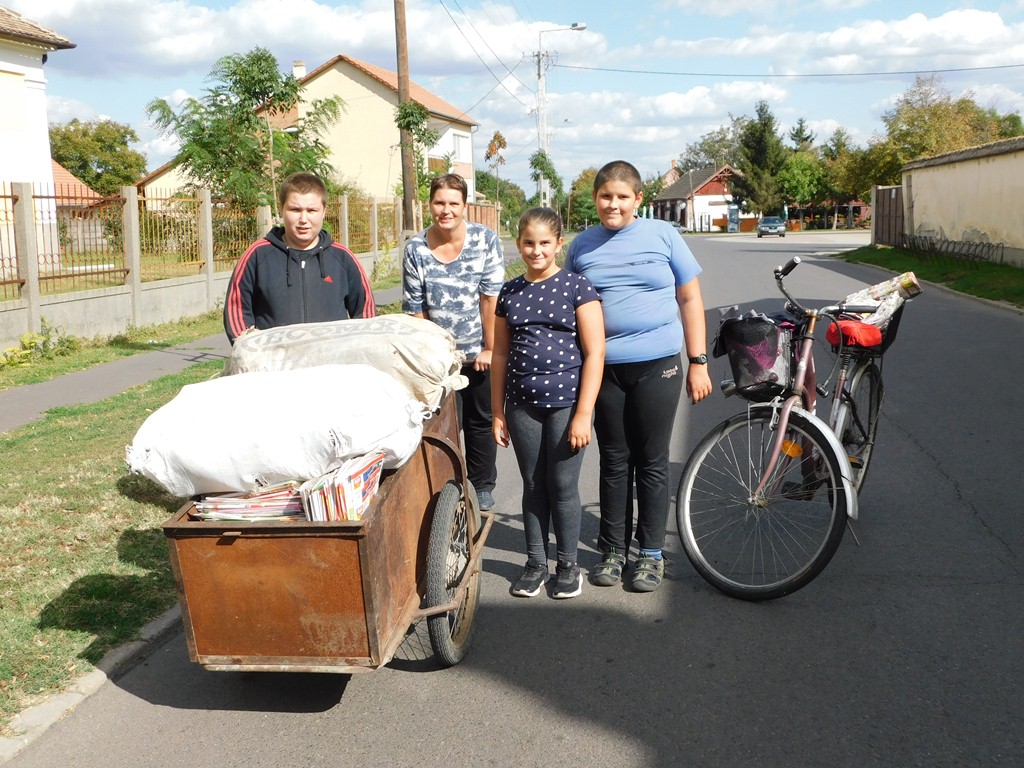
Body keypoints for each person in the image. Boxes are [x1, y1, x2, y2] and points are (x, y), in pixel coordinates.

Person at [565, 160, 713, 593]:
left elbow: (690, 298)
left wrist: (698, 360)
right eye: (605, 196)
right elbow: (569, 305)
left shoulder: (664, 235)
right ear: (595, 198)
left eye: (622, 196)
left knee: (651, 459)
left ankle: (650, 552)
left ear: (638, 199)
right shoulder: (581, 246)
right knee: (614, 459)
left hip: (658, 364)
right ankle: (612, 549)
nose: (613, 204)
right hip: (603, 368)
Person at [491, 208, 605, 599]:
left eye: (544, 243)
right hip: (522, 405)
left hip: (567, 406)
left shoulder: (577, 286)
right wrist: (497, 411)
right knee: (533, 483)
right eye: (528, 243)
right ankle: (536, 563)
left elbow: (595, 352)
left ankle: (568, 566)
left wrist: (584, 414)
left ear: (559, 244)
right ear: (518, 243)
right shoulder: (509, 293)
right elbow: (500, 354)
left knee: (562, 484)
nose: (536, 251)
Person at [402, 173, 505, 511]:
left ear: (464, 206)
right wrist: (428, 357)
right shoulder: (416, 249)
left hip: (478, 354)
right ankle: (447, 486)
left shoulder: (484, 240)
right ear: (429, 204)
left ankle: (481, 485)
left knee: (479, 420)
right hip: (439, 359)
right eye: (439, 203)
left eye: (453, 203)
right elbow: (416, 309)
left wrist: (490, 348)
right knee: (441, 425)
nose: (445, 210)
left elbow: (490, 299)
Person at [224, 172, 375, 344]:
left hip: (331, 359)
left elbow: (366, 315)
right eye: (295, 210)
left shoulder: (343, 258)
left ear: (324, 212)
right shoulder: (257, 255)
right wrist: (251, 350)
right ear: (282, 209)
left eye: (312, 210)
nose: (303, 219)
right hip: (274, 359)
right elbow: (236, 309)